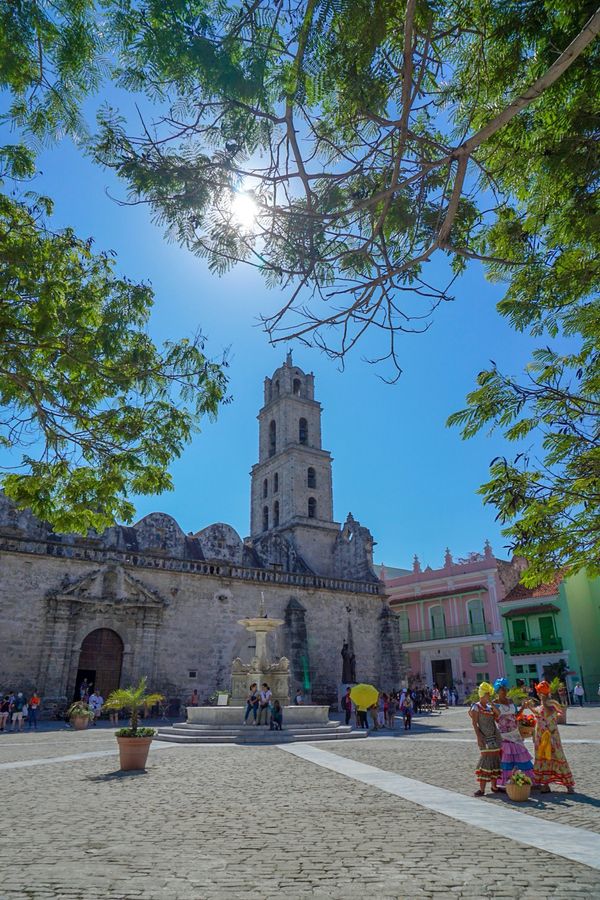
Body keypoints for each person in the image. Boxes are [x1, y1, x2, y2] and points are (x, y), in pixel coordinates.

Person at [529, 680, 575, 793]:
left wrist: (529, 706)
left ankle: (546, 784)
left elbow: (539, 713)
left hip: (544, 737)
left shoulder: (544, 707)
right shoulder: (552, 705)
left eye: (539, 693)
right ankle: (567, 785)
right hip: (552, 736)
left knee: (545, 758)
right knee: (557, 757)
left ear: (540, 694)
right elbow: (560, 712)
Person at [492, 677, 534, 788]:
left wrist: (523, 708)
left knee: (521, 754)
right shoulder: (494, 703)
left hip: (515, 732)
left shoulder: (510, 701)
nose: (504, 691)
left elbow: (515, 715)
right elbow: (494, 718)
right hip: (505, 734)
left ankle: (526, 779)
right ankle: (507, 782)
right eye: (502, 689)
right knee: (507, 757)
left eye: (505, 688)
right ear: (497, 690)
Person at [469, 682, 502, 796]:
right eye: (487, 694)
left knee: (495, 760)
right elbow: (474, 723)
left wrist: (492, 704)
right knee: (485, 760)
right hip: (484, 737)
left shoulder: (489, 707)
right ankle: (482, 789)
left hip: (494, 736)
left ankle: (494, 786)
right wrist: (479, 737)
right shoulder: (476, 707)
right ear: (482, 694)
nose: (489, 696)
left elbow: (498, 714)